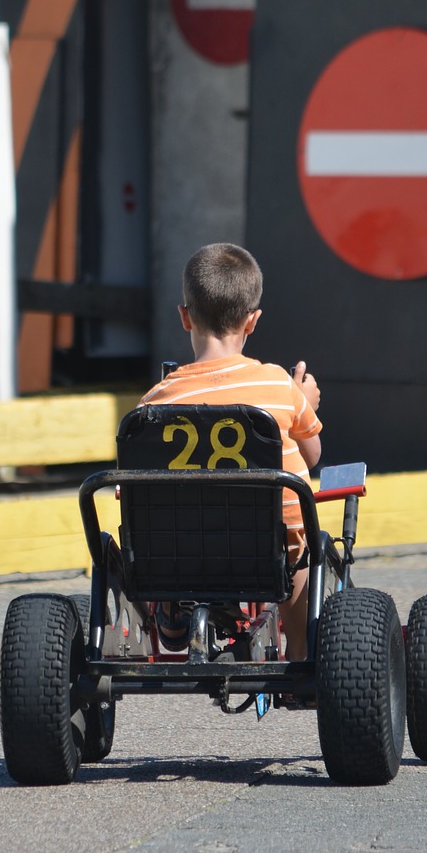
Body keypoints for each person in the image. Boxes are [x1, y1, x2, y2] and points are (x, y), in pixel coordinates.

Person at [140, 242, 322, 661]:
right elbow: (312, 457)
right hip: (266, 551)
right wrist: (304, 403)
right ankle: (300, 654)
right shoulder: (279, 386)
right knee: (299, 554)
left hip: (173, 551)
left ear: (185, 316)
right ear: (253, 321)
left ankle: (171, 604)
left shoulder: (153, 403)